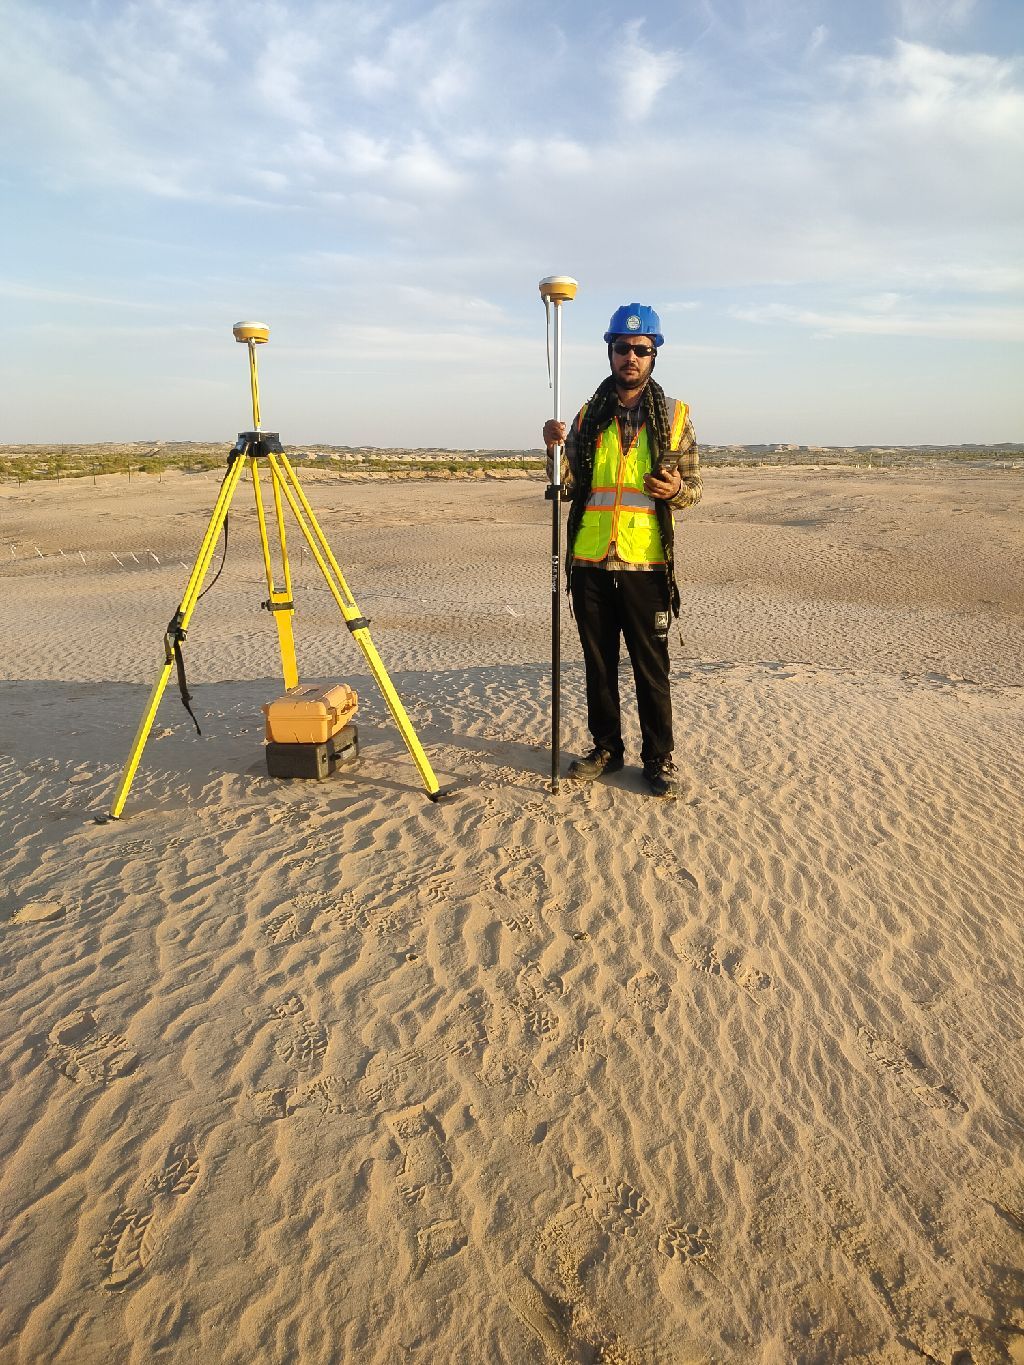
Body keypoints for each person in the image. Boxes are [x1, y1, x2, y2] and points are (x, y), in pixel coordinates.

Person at [543, 302, 701, 798]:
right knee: (599, 665)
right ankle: (607, 749)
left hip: (646, 564)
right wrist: (551, 451)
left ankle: (659, 758)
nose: (630, 357)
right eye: (622, 348)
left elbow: (694, 490)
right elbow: (566, 487)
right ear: (610, 352)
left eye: (641, 349)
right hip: (590, 561)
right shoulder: (588, 416)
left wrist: (675, 490)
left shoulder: (675, 416)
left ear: (654, 355)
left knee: (652, 668)